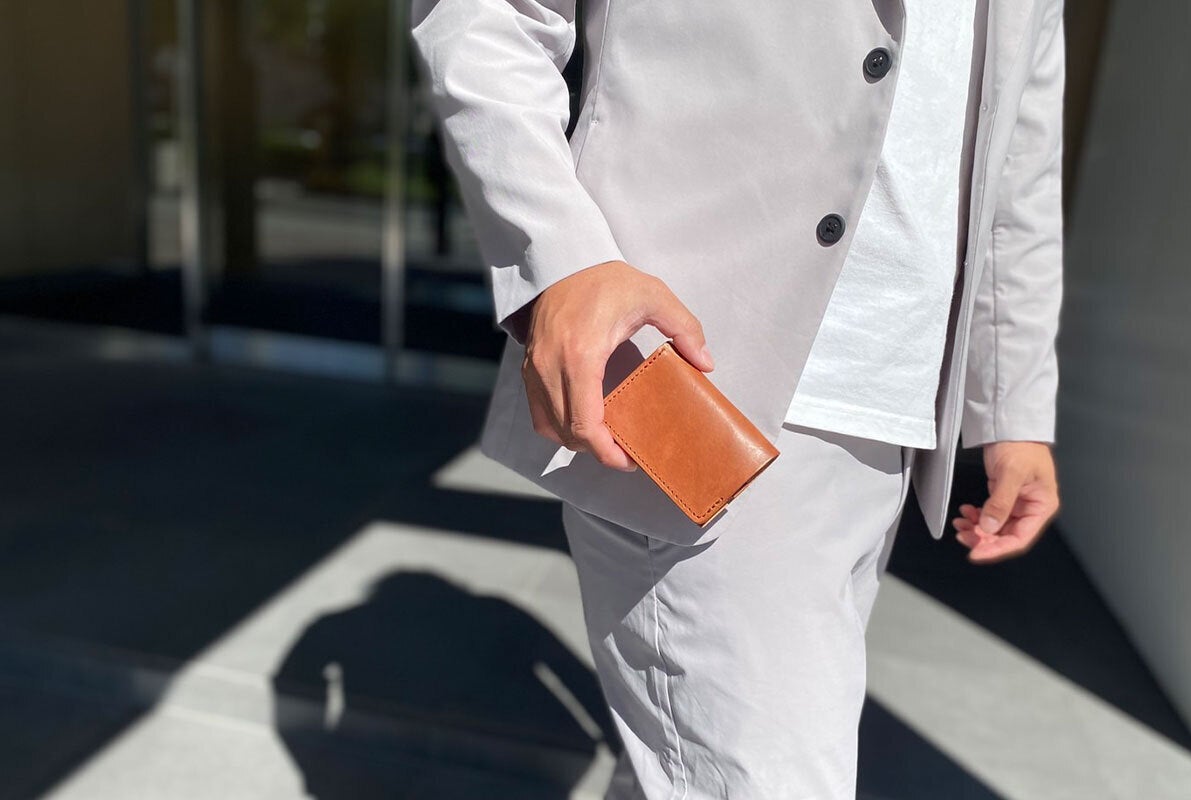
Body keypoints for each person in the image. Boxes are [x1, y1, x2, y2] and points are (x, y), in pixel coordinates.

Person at [411, 0, 1065, 796]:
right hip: (697, 388)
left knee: (692, 770)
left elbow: (1019, 158)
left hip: (894, 412)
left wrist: (1012, 405)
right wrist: (561, 258)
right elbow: (489, 17)